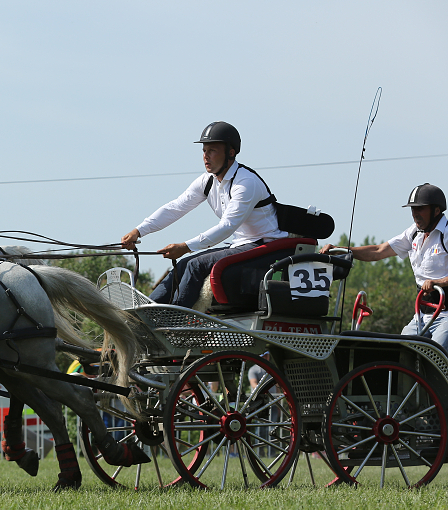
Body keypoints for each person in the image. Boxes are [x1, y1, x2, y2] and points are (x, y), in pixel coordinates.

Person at [121, 121, 287, 307]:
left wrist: (186, 246)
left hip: (265, 246)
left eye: (212, 150)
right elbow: (176, 207)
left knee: (194, 264)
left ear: (231, 152)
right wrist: (139, 230)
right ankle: (146, 312)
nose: (205, 156)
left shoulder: (246, 183)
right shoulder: (207, 181)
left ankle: (173, 320)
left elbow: (227, 226)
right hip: (241, 244)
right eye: (204, 150)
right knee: (183, 265)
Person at [322, 183, 448, 348]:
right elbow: (378, 250)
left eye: (420, 209)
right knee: (401, 352)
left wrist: (436, 283)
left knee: (437, 357)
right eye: (413, 209)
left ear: (436, 211)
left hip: (445, 315)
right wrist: (343, 250)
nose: (415, 214)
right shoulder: (414, 233)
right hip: (421, 315)